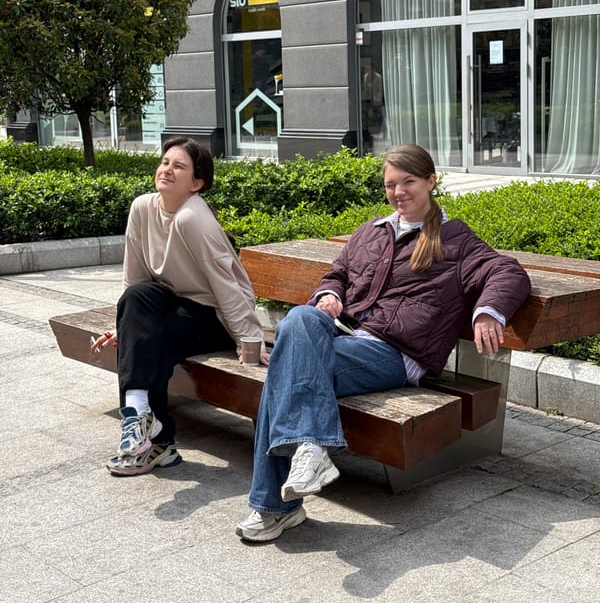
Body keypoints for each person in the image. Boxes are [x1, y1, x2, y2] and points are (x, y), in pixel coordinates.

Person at [236, 144, 531, 542]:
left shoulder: (455, 240)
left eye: (408, 182)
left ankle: (276, 506)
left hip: (394, 353)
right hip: (343, 336)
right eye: (391, 184)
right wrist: (329, 295)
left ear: (431, 181)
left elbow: (507, 272)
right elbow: (338, 273)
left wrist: (487, 312)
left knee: (284, 372)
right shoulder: (371, 231)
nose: (398, 192)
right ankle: (311, 452)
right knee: (301, 318)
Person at [92, 136, 268, 476]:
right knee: (137, 307)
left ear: (196, 183)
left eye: (179, 166)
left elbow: (227, 286)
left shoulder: (192, 218)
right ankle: (139, 417)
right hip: (173, 303)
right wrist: (124, 324)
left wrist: (249, 340)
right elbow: (135, 281)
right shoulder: (142, 208)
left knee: (148, 341)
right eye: (164, 163)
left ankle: (156, 444)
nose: (167, 170)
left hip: (213, 314)